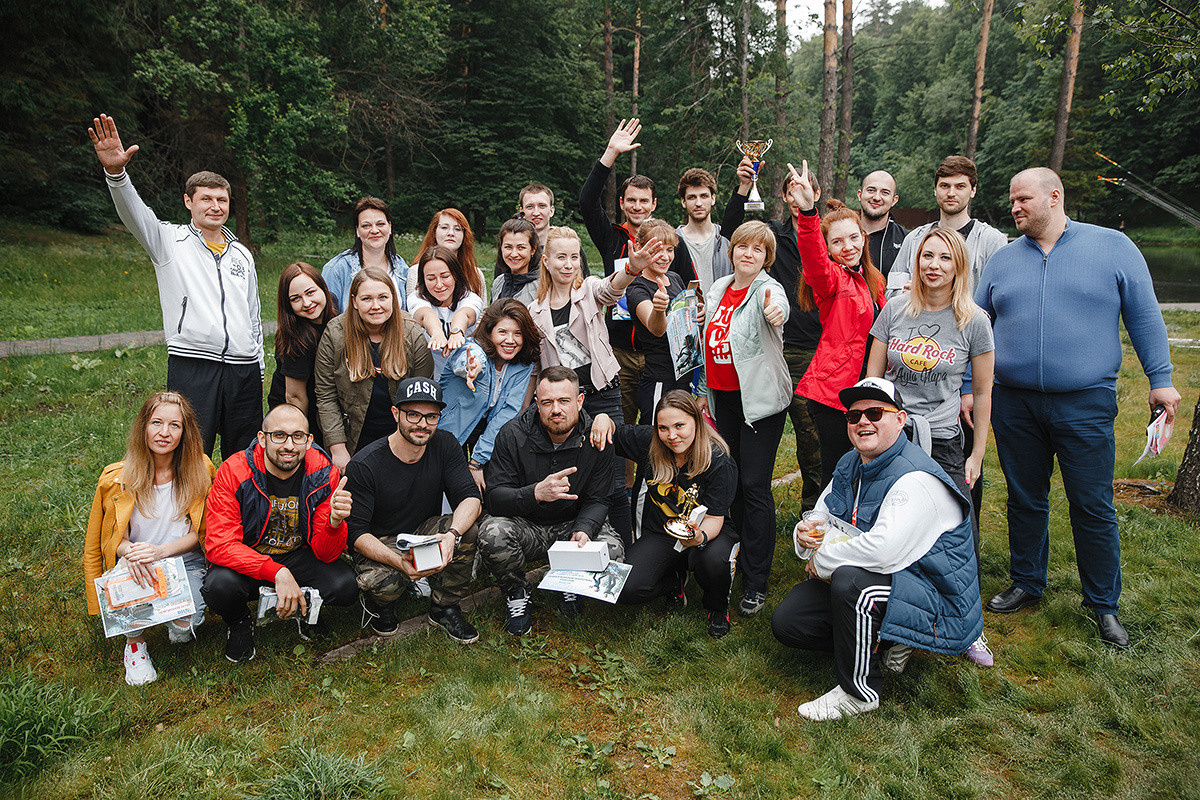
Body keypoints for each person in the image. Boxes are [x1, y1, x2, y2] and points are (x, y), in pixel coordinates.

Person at [975, 167, 1181, 648]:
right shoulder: (1003, 261)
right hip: (1014, 401)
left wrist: (1162, 380)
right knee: (1025, 498)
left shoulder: (1113, 248)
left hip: (1085, 402)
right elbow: (975, 326)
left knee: (1091, 505)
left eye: (1024, 199)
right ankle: (1028, 581)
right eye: (1012, 200)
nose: (1015, 207)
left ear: (1055, 196)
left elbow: (1145, 314)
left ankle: (1103, 604)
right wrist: (968, 384)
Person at [771, 378, 983, 721]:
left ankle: (859, 692)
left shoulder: (915, 477)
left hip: (937, 597)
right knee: (789, 622)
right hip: (891, 578)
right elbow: (820, 515)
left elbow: (883, 551)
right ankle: (885, 641)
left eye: (874, 412)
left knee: (852, 585)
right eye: (854, 416)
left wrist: (821, 561)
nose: (862, 422)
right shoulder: (850, 463)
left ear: (900, 419)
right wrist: (803, 536)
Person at [88, 114, 262, 460]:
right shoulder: (169, 241)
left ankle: (236, 514)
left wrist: (257, 367)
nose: (215, 206)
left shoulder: (241, 253)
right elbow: (134, 213)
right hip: (193, 362)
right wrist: (116, 174)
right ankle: (187, 514)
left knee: (242, 456)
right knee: (188, 454)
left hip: (243, 370)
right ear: (189, 202)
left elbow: (253, 314)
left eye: (222, 200)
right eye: (206, 199)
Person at [866, 226, 995, 666]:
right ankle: (898, 624)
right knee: (892, 527)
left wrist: (976, 454)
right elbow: (874, 383)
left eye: (944, 258)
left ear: (959, 265)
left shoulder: (974, 321)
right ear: (916, 261)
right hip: (895, 438)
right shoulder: (895, 310)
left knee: (956, 535)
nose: (933, 265)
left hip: (942, 440)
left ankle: (969, 627)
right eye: (926, 257)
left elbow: (982, 393)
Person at [530, 226, 662, 544]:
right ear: (546, 261)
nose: (568, 264)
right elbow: (536, 368)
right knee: (575, 479)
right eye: (560, 257)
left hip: (603, 396)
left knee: (615, 481)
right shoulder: (534, 312)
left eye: (574, 256)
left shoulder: (588, 289)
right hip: (566, 404)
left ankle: (625, 553)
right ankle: (582, 547)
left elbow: (611, 289)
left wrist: (631, 267)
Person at [202, 405, 358, 663]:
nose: (289, 445)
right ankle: (239, 621)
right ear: (262, 439)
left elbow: (326, 553)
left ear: (309, 441)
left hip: (297, 555)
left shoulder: (322, 472)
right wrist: (276, 572)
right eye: (279, 435)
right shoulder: (234, 471)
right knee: (219, 587)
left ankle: (308, 610)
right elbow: (219, 545)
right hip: (249, 557)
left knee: (345, 586)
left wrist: (334, 522)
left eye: (297, 436)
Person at [478, 367, 627, 635]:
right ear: (537, 403)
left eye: (564, 401)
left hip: (572, 525)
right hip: (528, 526)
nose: (555, 409)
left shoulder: (596, 436)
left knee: (613, 550)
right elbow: (494, 498)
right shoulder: (512, 435)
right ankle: (516, 592)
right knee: (492, 533)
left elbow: (600, 498)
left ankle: (570, 584)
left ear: (579, 401)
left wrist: (584, 529)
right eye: (547, 402)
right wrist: (535, 493)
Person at [84, 392, 216, 685]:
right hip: (137, 561)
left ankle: (175, 617)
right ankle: (135, 645)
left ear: (185, 432)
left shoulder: (202, 470)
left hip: (183, 561)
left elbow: (201, 534)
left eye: (174, 425)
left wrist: (161, 552)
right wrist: (131, 552)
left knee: (185, 627)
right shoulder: (117, 478)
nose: (164, 433)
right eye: (156, 423)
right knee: (130, 594)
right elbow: (110, 538)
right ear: (144, 426)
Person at [580, 118, 696, 438]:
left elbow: (689, 289)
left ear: (654, 204)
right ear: (621, 203)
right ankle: (625, 488)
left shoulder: (669, 244)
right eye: (631, 200)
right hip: (620, 351)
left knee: (660, 429)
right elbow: (587, 203)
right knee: (623, 431)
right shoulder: (611, 237)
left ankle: (653, 488)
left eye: (644, 200)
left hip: (663, 355)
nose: (637, 206)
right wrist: (610, 155)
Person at [590, 391, 740, 638]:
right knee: (626, 589)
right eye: (663, 428)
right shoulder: (650, 442)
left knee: (714, 562)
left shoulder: (719, 459)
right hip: (661, 532)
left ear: (697, 420)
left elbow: (715, 518)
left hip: (707, 531)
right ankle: (673, 581)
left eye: (680, 426)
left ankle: (717, 607)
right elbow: (613, 431)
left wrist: (699, 538)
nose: (672, 436)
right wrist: (604, 417)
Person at [697, 220, 790, 617]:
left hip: (761, 402)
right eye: (742, 247)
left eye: (758, 250)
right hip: (724, 402)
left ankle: (756, 580)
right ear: (731, 250)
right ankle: (728, 556)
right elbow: (707, 339)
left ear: (766, 258)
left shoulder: (768, 289)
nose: (748, 254)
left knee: (753, 485)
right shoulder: (719, 288)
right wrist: (703, 391)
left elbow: (778, 306)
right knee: (728, 480)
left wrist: (775, 312)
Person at [345, 378, 483, 643]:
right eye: (414, 415)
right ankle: (382, 607)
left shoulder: (445, 444)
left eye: (431, 417)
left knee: (467, 530)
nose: (422, 424)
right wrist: (398, 562)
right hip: (380, 539)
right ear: (396, 414)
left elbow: (470, 498)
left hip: (421, 533)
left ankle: (444, 607)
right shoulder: (366, 463)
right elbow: (355, 534)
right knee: (385, 585)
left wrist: (451, 534)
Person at [724, 165, 825, 514]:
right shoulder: (771, 237)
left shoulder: (824, 234)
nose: (799, 195)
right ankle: (747, 509)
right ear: (783, 196)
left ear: (816, 194)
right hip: (786, 348)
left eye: (806, 189)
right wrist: (743, 186)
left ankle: (815, 509)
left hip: (824, 345)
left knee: (816, 437)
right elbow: (733, 232)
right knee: (799, 426)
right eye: (792, 190)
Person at [786, 160, 886, 489]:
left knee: (869, 465)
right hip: (836, 392)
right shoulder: (832, 280)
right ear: (828, 248)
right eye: (838, 242)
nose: (848, 247)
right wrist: (808, 214)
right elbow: (813, 261)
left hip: (870, 385)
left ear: (864, 237)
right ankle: (827, 530)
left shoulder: (875, 280)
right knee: (838, 468)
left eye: (854, 238)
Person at [316, 267, 433, 472]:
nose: (376, 306)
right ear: (354, 301)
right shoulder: (335, 334)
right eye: (367, 299)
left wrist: (412, 441)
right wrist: (338, 448)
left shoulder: (411, 331)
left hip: (399, 433)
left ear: (393, 299)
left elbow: (423, 393)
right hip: (354, 434)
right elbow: (326, 395)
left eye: (382, 297)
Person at [440, 298, 542, 491]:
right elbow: (467, 359)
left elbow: (507, 412)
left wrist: (477, 462)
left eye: (517, 334)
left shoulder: (522, 365)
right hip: (449, 431)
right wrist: (472, 368)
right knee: (448, 487)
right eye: (502, 332)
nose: (510, 340)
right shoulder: (472, 349)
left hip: (487, 433)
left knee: (486, 488)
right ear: (489, 332)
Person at [888, 156, 1008, 297]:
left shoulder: (991, 241)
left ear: (973, 191)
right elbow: (891, 291)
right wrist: (905, 294)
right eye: (945, 186)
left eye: (960, 186)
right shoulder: (914, 239)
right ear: (935, 190)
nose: (951, 193)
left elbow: (1001, 297)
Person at [627, 219, 693, 422]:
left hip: (684, 374)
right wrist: (658, 309)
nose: (665, 257)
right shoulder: (637, 287)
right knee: (654, 437)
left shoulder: (675, 278)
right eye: (657, 250)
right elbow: (656, 329)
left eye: (670, 250)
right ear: (640, 248)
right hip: (659, 379)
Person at [267, 263, 337, 448]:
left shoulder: (334, 310)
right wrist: (299, 436)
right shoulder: (298, 340)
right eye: (295, 298)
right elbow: (295, 396)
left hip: (325, 399)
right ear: (288, 305)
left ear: (323, 288)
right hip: (299, 408)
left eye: (311, 292)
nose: (307, 303)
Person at [408, 246, 486, 379]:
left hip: (464, 373)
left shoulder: (471, 298)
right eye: (431, 279)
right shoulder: (415, 298)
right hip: (429, 375)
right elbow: (426, 314)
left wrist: (456, 332)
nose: (439, 285)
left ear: (455, 275)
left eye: (445, 276)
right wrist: (436, 332)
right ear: (423, 279)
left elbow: (464, 314)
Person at [322, 197, 410, 314]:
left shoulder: (401, 268)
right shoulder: (336, 270)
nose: (374, 230)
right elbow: (328, 318)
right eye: (366, 226)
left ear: (389, 227)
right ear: (357, 231)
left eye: (380, 224)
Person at [675, 165, 753, 294]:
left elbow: (735, 213)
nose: (698, 203)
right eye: (692, 197)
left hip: (723, 312)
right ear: (683, 202)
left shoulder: (726, 240)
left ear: (713, 199)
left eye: (704, 196)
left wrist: (745, 184)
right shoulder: (672, 242)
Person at [410, 209, 487, 305]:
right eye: (444, 227)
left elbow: (483, 315)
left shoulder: (476, 274)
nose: (451, 233)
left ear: (464, 235)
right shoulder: (415, 272)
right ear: (434, 232)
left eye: (457, 229)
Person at [519, 182, 590, 275]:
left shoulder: (568, 244)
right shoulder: (514, 249)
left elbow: (584, 283)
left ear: (551, 211)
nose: (536, 213)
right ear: (522, 212)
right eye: (530, 207)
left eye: (542, 206)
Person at [857, 171, 908, 277]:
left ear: (894, 200)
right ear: (860, 194)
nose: (876, 197)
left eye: (885, 192)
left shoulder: (906, 240)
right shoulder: (841, 234)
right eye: (871, 190)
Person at [490, 216, 542, 306]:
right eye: (508, 247)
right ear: (501, 247)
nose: (514, 254)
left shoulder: (541, 286)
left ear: (533, 249)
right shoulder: (498, 282)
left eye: (521, 247)